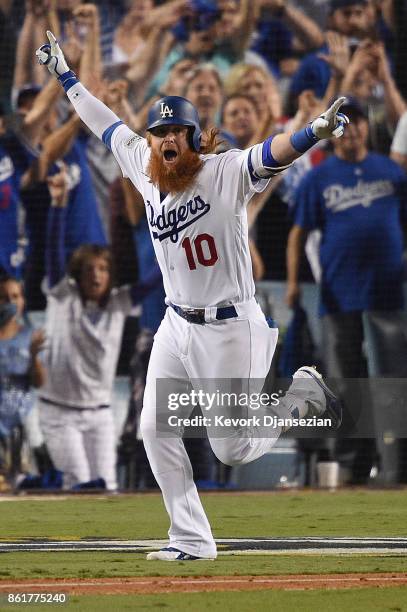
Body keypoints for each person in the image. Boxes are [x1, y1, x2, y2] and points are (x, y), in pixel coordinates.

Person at [36, 30, 347, 559]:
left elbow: (272, 153)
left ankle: (301, 396)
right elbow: (103, 121)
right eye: (158, 131)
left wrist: (314, 131)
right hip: (176, 325)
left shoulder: (223, 172)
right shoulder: (142, 165)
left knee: (233, 449)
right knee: (153, 427)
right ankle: (192, 540)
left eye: (176, 130)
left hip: (230, 326)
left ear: (194, 136)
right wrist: (66, 77)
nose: (164, 139)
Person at [286, 96, 407, 483]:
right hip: (338, 293)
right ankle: (348, 467)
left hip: (388, 293)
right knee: (342, 382)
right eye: (344, 123)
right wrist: (292, 283)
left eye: (357, 123)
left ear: (367, 129)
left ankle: (394, 464)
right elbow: (297, 234)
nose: (352, 129)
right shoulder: (318, 177)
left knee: (390, 381)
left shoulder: (391, 171)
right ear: (334, 132)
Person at [37, 166, 161, 491]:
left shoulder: (119, 303)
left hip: (100, 414)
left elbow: (155, 278)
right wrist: (59, 204)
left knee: (107, 487)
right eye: (90, 269)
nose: (96, 275)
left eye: (103, 269)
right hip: (59, 411)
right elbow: (52, 251)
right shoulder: (63, 296)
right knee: (78, 483)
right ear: (78, 274)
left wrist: (179, 236)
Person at [0, 274, 46, 482]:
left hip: (23, 421)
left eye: (15, 296)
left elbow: (39, 382)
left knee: (23, 480)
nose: (10, 302)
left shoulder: (30, 335)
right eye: (4, 297)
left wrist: (34, 355)